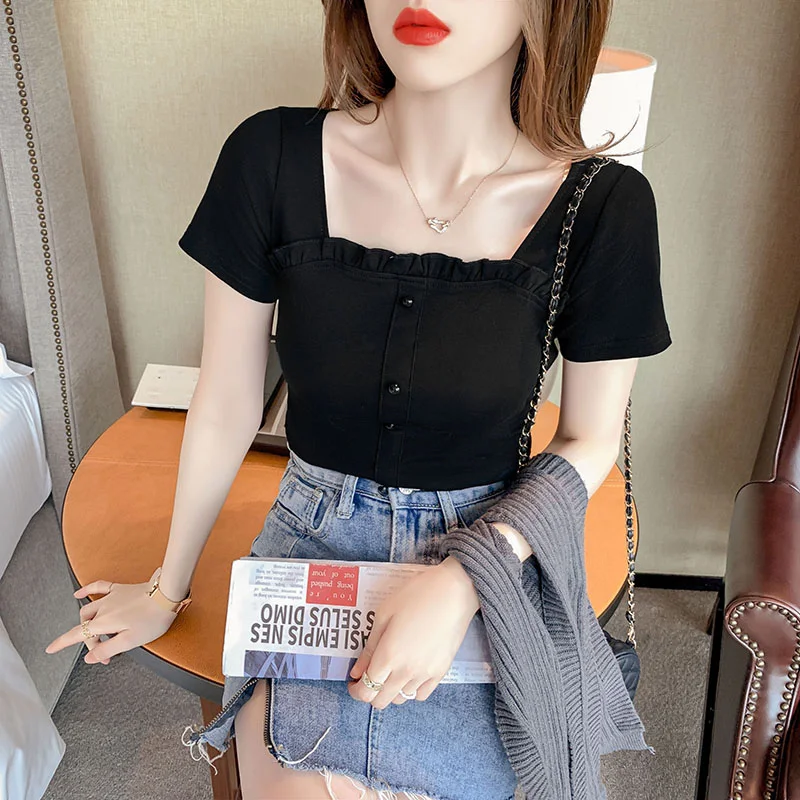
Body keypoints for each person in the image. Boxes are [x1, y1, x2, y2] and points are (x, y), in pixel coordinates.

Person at [45, 1, 672, 798]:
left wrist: (465, 578)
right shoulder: (270, 157)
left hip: (486, 555)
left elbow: (589, 440)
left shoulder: (606, 207)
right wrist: (168, 588)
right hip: (312, 549)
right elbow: (228, 398)